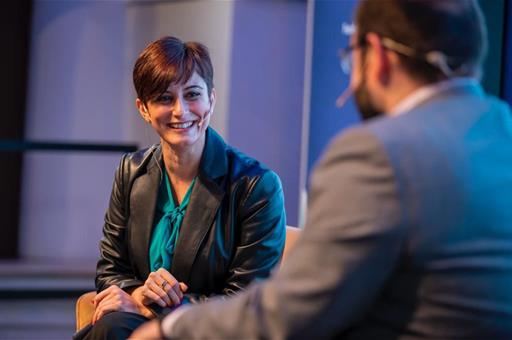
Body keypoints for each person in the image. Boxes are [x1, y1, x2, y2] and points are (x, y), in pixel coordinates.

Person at [131, 0, 512, 338]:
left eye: (351, 55)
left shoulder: (375, 153)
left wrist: (171, 329)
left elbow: (291, 313)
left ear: (376, 54)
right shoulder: (503, 131)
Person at [74, 36, 286, 340]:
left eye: (192, 95)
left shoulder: (256, 186)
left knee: (112, 329)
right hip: (135, 328)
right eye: (164, 98)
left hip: (211, 333)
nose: (180, 110)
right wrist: (137, 294)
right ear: (144, 109)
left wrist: (151, 308)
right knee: (112, 328)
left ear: (211, 100)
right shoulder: (131, 172)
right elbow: (110, 269)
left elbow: (247, 302)